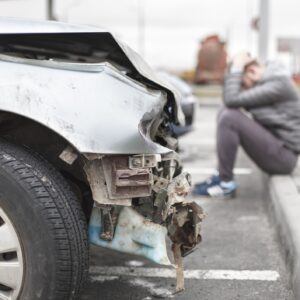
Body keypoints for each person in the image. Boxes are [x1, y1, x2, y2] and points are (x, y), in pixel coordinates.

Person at [193, 52, 300, 199]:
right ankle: (220, 176)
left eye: (242, 84)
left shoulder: (278, 84)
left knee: (230, 117)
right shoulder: (271, 81)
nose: (242, 89)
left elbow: (232, 98)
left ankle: (226, 185)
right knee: (226, 111)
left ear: (252, 72)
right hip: (277, 149)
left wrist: (236, 68)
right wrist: (234, 71)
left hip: (284, 158)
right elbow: (229, 100)